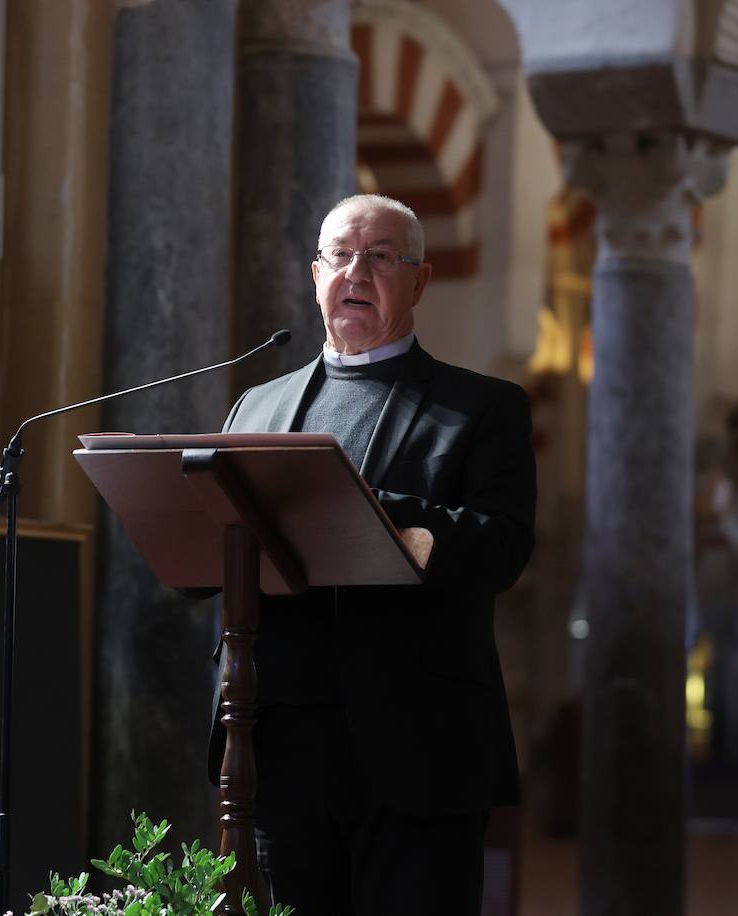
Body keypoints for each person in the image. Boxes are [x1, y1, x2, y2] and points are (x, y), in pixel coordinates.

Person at [208, 194, 537, 914]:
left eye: (381, 256)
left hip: (419, 752)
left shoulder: (483, 407)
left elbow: (504, 548)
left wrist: (378, 514)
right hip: (281, 749)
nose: (357, 271)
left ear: (418, 281)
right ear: (316, 273)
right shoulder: (255, 409)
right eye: (341, 256)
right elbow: (211, 549)